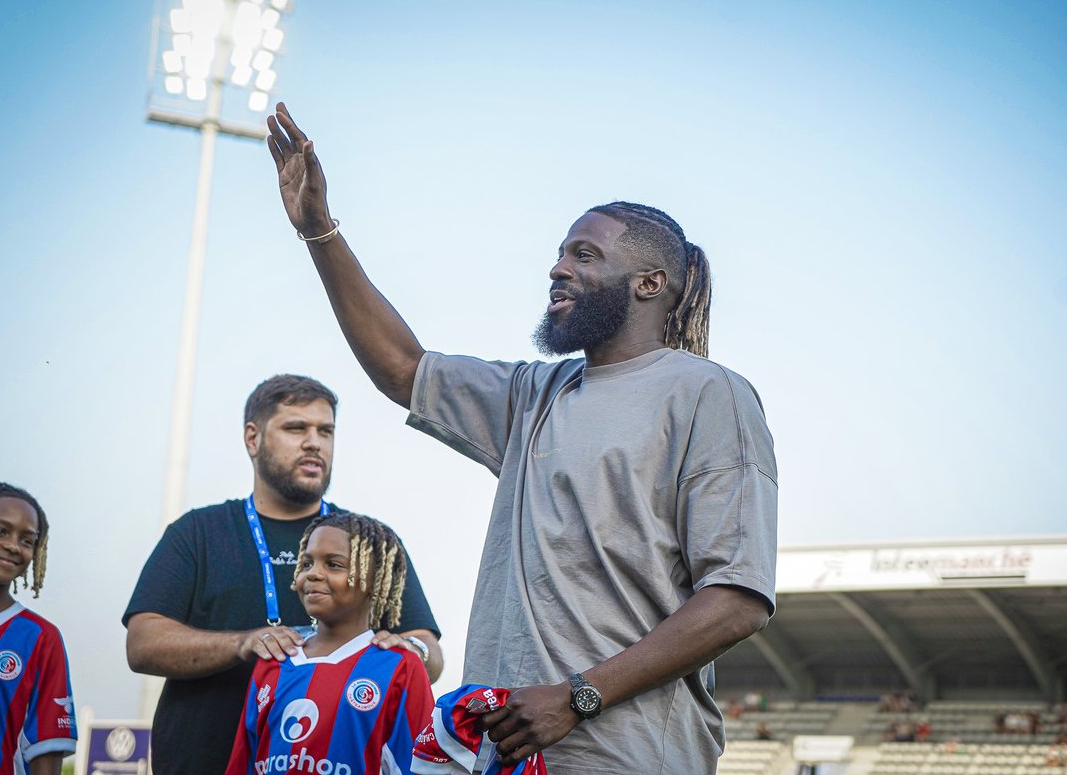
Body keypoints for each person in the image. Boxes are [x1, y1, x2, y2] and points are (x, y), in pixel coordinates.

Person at [266, 103, 777, 773]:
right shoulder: (535, 394)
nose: (556, 269)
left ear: (650, 283)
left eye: (583, 254)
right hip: (503, 749)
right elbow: (401, 368)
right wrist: (320, 232)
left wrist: (578, 696)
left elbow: (736, 599)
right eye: (559, 253)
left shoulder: (709, 394)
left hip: (624, 753)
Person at [124, 375, 442, 775]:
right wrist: (245, 643)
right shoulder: (197, 532)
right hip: (198, 760)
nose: (314, 442)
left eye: (325, 431)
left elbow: (429, 650)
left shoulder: (368, 544)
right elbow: (142, 644)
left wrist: (410, 650)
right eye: (296, 428)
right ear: (252, 439)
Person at [226, 512, 433, 775]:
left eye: (334, 564)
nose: (313, 574)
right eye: (306, 563)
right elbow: (244, 761)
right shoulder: (273, 660)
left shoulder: (399, 666)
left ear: (375, 579)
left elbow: (418, 765)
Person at [0, 481, 77, 775]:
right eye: (0, 530)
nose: (13, 545)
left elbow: (46, 759)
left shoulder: (39, 637)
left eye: (27, 540)